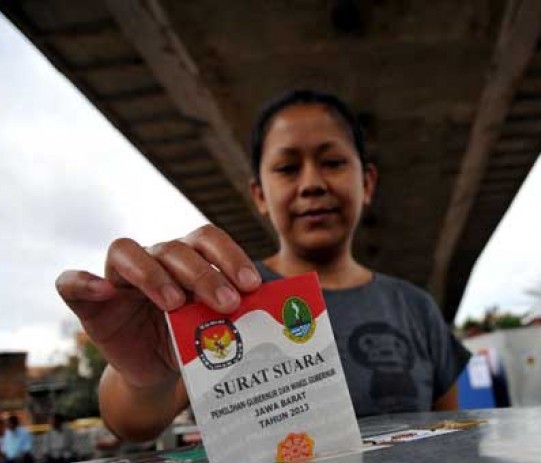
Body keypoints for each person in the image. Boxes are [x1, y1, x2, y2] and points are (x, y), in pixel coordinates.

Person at [56, 90, 470, 442]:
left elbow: (451, 438)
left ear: (367, 183)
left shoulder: (415, 307)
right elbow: (131, 422)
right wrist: (143, 377)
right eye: (287, 168)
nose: (312, 184)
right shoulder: (219, 300)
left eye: (333, 162)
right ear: (258, 194)